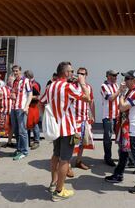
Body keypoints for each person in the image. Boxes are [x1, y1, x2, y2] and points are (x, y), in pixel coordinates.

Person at [40, 61, 91, 202]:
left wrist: (47, 118)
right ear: (66, 73)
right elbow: (87, 98)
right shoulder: (67, 87)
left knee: (56, 155)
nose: (73, 73)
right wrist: (81, 83)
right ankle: (59, 191)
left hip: (56, 128)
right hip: (69, 128)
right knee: (65, 159)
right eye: (71, 71)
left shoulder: (50, 86)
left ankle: (53, 183)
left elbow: (41, 102)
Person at [105, 70, 135, 194]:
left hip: (133, 129)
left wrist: (121, 94)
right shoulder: (132, 91)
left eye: (127, 79)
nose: (124, 81)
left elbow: (122, 107)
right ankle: (118, 174)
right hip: (127, 128)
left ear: (134, 80)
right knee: (123, 153)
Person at [73, 67, 95, 170]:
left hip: (84, 119)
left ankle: (78, 161)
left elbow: (91, 102)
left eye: (83, 74)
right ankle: (67, 164)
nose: (80, 75)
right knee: (74, 143)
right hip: (74, 120)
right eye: (79, 73)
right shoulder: (72, 86)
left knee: (82, 142)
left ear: (86, 75)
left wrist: (92, 115)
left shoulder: (89, 87)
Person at [10, 65, 33, 161]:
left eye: (17, 71)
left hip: (21, 108)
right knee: (15, 130)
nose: (15, 73)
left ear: (20, 71)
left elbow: (30, 94)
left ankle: (24, 151)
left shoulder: (26, 80)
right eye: (14, 71)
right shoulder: (14, 81)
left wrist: (26, 106)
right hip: (14, 107)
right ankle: (19, 149)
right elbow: (14, 93)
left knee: (22, 131)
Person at [100, 69, 120, 166]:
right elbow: (111, 97)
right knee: (108, 138)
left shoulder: (116, 85)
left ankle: (123, 157)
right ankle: (107, 157)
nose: (116, 77)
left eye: (116, 75)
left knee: (120, 137)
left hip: (117, 115)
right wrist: (120, 90)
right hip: (108, 117)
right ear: (108, 76)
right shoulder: (104, 86)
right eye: (113, 75)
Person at [24, 70, 41, 150]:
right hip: (28, 106)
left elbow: (37, 97)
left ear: (27, 76)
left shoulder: (35, 84)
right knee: (27, 124)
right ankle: (27, 141)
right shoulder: (29, 83)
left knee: (34, 124)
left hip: (33, 106)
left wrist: (27, 97)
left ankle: (36, 141)